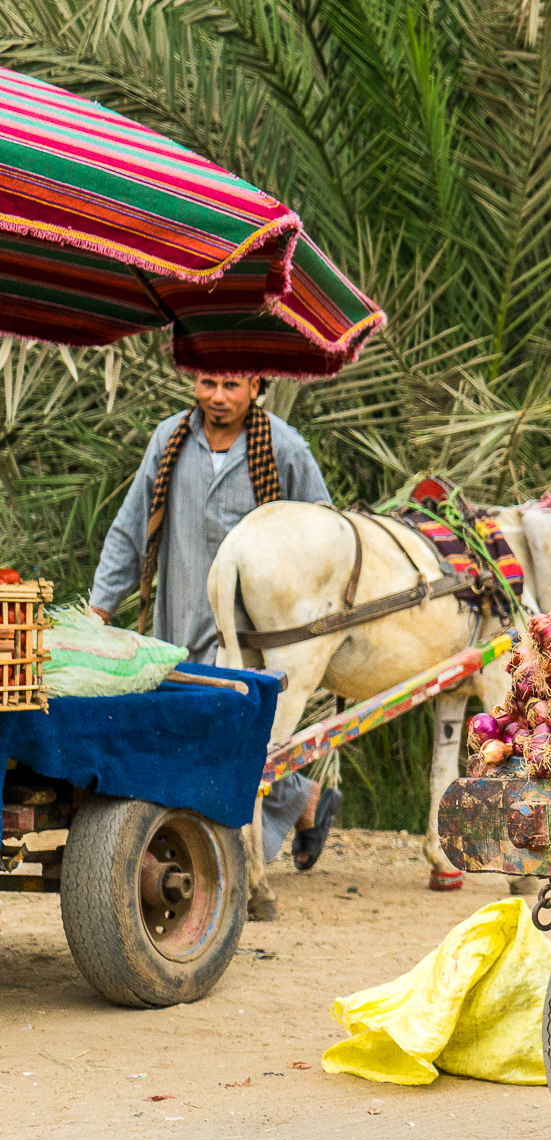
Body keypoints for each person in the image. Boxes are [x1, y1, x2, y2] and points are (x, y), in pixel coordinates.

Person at [89, 373, 342, 913]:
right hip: (178, 618)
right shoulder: (170, 439)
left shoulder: (282, 446)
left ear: (256, 385)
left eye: (231, 384)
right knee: (194, 728)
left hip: (251, 631)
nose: (218, 397)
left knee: (225, 732)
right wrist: (100, 605)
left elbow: (324, 532)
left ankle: (217, 866)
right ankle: (303, 798)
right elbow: (132, 526)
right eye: (208, 383)